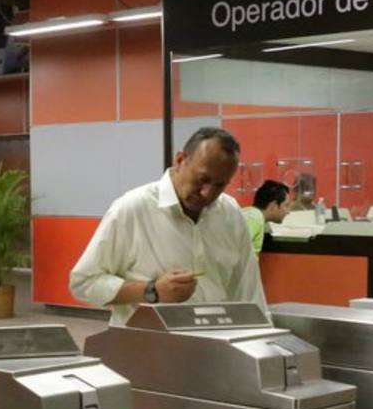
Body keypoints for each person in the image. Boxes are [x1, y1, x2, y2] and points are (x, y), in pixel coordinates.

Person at [70, 127, 266, 326]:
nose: (207, 193)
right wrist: (152, 291)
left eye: (219, 185)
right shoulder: (134, 208)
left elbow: (249, 292)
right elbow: (84, 282)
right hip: (146, 348)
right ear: (180, 160)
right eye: (202, 180)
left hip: (216, 345)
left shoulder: (230, 213)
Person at [242, 180, 292, 254]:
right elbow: (236, 248)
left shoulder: (253, 215)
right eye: (286, 205)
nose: (288, 212)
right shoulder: (254, 218)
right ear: (274, 205)